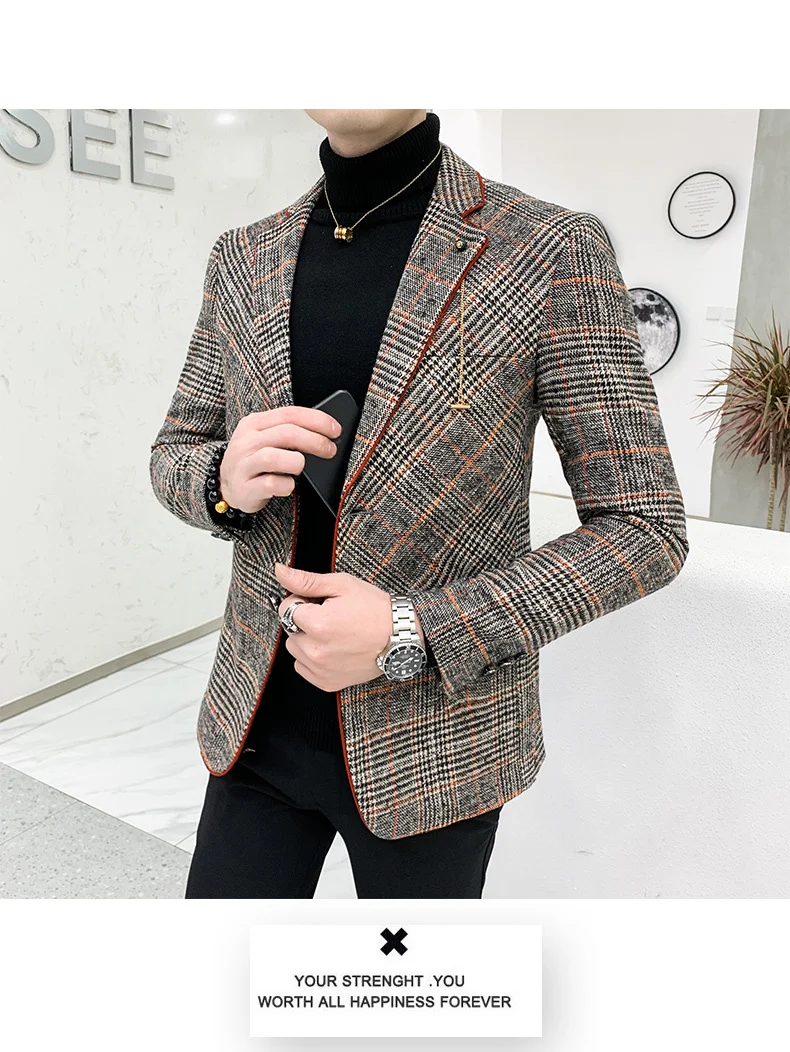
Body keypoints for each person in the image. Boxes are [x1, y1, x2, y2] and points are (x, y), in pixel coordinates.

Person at [149, 108, 689, 899]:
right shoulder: (243, 255)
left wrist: (413, 630)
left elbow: (645, 527)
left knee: (412, 980)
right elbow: (173, 452)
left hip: (439, 744)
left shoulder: (549, 248)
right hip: (256, 726)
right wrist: (220, 484)